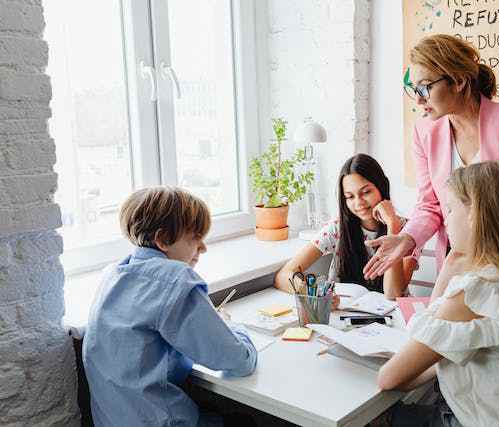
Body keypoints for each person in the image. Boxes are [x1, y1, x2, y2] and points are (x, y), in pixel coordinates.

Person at [363, 34, 499, 298]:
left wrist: (490, 216)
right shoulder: (424, 132)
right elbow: (430, 205)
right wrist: (408, 238)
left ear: (459, 81)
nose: (418, 99)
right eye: (414, 89)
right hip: (459, 264)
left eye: (425, 87)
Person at [377, 161, 499, 427]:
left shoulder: (482, 290)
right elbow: (434, 343)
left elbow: (388, 378)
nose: (445, 218)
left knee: (371, 417)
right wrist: (454, 260)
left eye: (451, 209)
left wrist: (452, 265)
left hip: (466, 420)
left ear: (476, 214)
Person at [83, 187, 257, 427]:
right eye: (195, 237)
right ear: (163, 239)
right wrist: (231, 327)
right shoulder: (175, 280)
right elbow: (239, 361)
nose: (203, 248)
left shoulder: (113, 276)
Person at [275, 153, 421, 299]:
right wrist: (316, 294)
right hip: (344, 315)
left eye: (366, 192)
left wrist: (393, 225)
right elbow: (283, 275)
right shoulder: (337, 228)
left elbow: (393, 294)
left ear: (381, 187)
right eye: (350, 197)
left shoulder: (409, 232)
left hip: (393, 317)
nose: (358, 203)